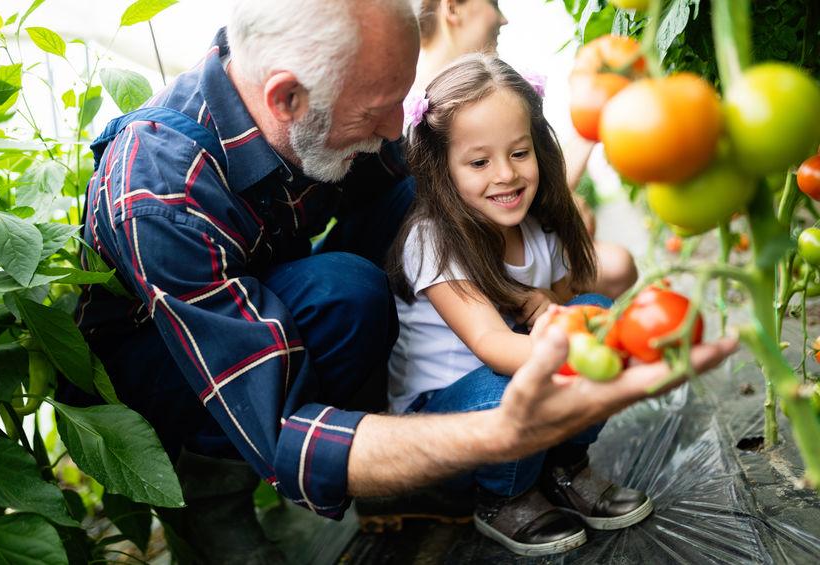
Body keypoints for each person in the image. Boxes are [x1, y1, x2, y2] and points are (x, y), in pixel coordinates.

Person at [67, 0, 736, 562]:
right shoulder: (159, 192)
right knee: (346, 290)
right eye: (379, 110)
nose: (395, 128)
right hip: (172, 355)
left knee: (423, 186)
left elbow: (443, 165)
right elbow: (283, 430)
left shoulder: (309, 93)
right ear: (287, 97)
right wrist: (503, 429)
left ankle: (407, 451)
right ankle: (215, 495)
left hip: (273, 280)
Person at [382, 54, 649, 556]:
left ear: (538, 149)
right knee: (538, 369)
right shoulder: (433, 240)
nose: (505, 175)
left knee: (595, 309)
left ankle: (565, 467)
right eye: (479, 162)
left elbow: (569, 302)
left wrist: (558, 306)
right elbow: (492, 344)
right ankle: (503, 496)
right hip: (450, 422)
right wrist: (593, 349)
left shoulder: (539, 227)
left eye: (519, 153)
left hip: (522, 397)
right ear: (442, 168)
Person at [412, 0, 638, 300]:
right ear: (453, 8)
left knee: (611, 269)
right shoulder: (424, 120)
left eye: (519, 153)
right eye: (493, 3)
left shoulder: (498, 89)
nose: (504, 19)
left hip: (518, 253)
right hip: (476, 270)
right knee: (604, 276)